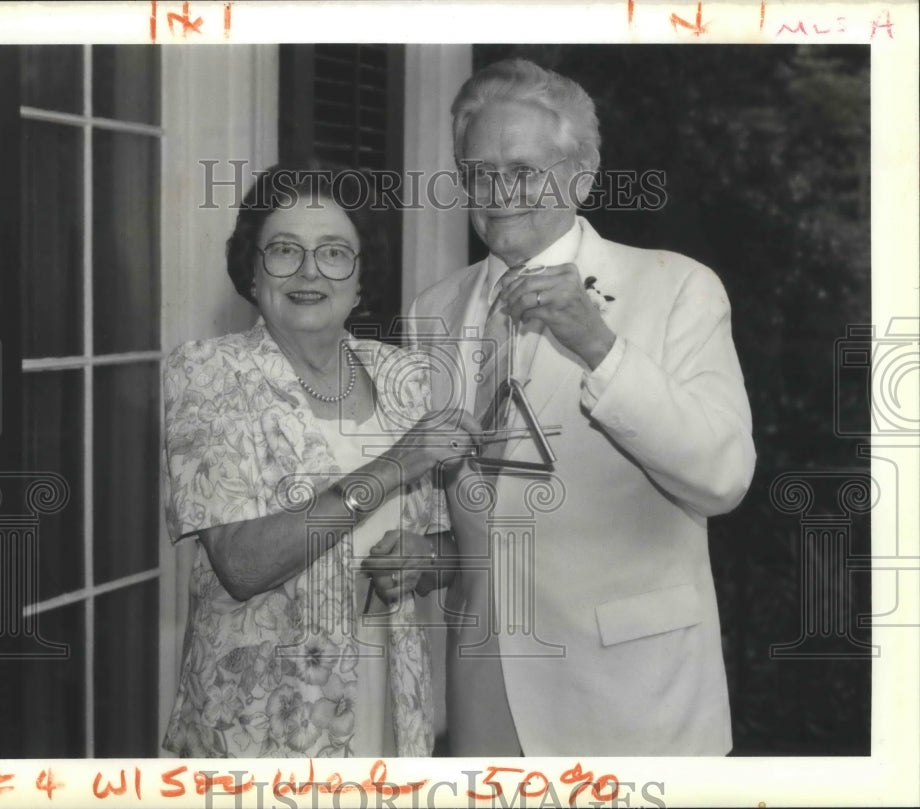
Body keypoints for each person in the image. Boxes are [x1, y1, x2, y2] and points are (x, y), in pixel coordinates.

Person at [408, 58, 756, 756]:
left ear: (582, 177)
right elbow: (474, 514)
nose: (498, 191)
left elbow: (723, 476)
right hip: (484, 702)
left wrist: (598, 344)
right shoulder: (432, 312)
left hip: (633, 703)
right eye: (478, 171)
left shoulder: (676, 288)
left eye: (524, 169)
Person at [161, 161, 478, 758]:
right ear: (252, 272)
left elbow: (450, 548)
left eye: (334, 253)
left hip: (389, 696)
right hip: (260, 724)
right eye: (284, 250)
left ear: (359, 281)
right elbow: (242, 564)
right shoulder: (208, 374)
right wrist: (390, 468)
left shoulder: (403, 377)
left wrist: (422, 560)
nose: (309, 271)